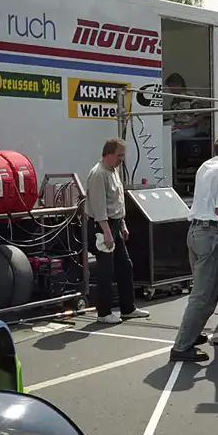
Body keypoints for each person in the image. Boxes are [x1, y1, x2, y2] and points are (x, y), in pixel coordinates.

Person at [170, 134, 218, 362]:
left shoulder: (206, 165)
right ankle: (182, 347)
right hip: (210, 234)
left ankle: (192, 333)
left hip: (193, 231)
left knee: (200, 291)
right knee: (205, 295)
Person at [85, 138, 150, 324]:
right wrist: (106, 231)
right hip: (102, 226)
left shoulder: (114, 171)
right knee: (106, 270)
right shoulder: (98, 174)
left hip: (114, 225)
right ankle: (103, 313)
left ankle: (128, 308)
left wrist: (122, 225)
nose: (122, 158)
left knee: (125, 265)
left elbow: (117, 201)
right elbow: (99, 207)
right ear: (109, 153)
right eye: (119, 155)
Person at [163, 73, 209, 140]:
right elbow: (174, 118)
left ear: (179, 85)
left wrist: (185, 126)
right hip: (177, 128)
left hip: (189, 129)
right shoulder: (174, 100)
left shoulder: (190, 96)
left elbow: (200, 115)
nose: (170, 90)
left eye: (172, 87)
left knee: (169, 139)